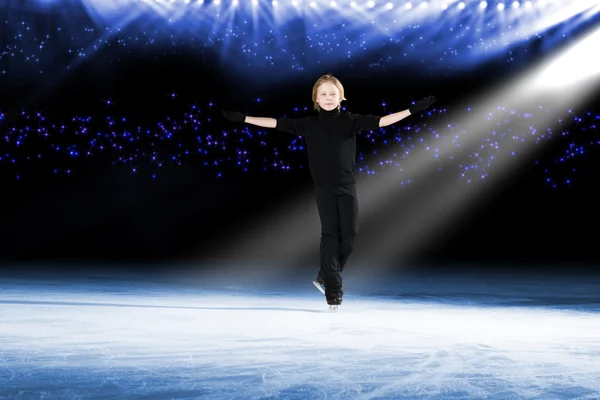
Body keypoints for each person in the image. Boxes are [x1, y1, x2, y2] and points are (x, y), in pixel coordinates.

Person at [222, 74, 435, 309]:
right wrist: (244, 118)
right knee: (330, 235)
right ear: (315, 98)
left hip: (347, 186)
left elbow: (383, 121)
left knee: (350, 236)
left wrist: (410, 111)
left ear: (341, 97)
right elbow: (275, 122)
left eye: (333, 93)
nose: (328, 98)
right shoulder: (308, 124)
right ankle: (333, 291)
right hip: (323, 188)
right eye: (323, 94)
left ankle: (326, 274)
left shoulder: (352, 120)